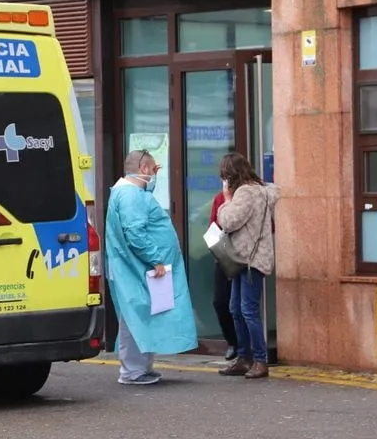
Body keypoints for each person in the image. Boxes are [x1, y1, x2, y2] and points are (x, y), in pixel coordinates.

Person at [104, 149, 199, 385]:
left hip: (133, 267)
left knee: (141, 314)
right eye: (151, 169)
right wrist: (155, 259)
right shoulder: (130, 195)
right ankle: (133, 371)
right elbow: (135, 232)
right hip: (136, 267)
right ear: (144, 169)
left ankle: (140, 368)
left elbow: (141, 211)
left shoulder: (129, 192)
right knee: (135, 316)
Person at [215, 153, 280, 380]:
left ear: (230, 174)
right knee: (236, 309)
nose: (223, 179)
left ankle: (259, 360)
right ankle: (244, 357)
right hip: (247, 258)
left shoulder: (245, 192)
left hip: (249, 260)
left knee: (248, 310)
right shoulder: (260, 190)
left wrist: (226, 199)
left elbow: (229, 220)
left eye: (224, 175)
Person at [210, 190, 238, 361]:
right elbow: (213, 226)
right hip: (224, 256)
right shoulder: (219, 197)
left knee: (241, 306)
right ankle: (232, 341)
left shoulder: (246, 196)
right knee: (220, 301)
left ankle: (245, 347)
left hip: (244, 255)